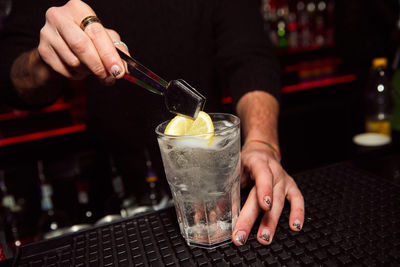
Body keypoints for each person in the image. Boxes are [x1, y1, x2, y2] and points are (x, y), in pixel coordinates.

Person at [0, 0, 304, 246]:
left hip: (210, 184)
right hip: (109, 193)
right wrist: (47, 60)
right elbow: (11, 79)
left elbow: (250, 54)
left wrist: (262, 143)